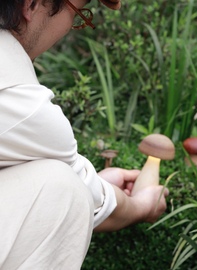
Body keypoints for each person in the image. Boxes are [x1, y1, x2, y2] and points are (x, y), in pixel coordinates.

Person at [0, 0, 169, 269]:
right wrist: (141, 206)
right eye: (78, 14)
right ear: (32, 5)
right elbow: (90, 197)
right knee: (64, 190)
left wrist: (95, 182)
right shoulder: (18, 100)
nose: (71, 27)